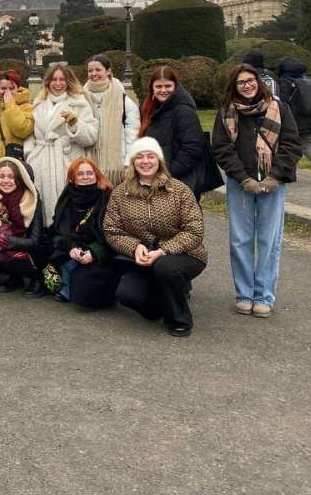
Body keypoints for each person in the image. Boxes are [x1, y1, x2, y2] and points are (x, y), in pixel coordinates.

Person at [212, 64, 302, 319]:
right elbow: (221, 148)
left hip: (273, 182)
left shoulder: (279, 109)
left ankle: (263, 296)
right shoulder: (227, 112)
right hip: (240, 183)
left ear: (258, 82)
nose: (247, 85)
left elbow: (291, 145)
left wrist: (275, 176)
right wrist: (242, 178)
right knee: (240, 240)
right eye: (241, 82)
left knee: (268, 240)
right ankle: (244, 294)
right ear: (234, 86)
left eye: (250, 80)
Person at [103, 137, 207, 337]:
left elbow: (195, 229)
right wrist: (134, 246)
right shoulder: (120, 193)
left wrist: (163, 251)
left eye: (151, 156)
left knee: (166, 267)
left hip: (184, 254)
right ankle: (162, 302)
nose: (145, 161)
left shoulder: (179, 190)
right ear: (133, 162)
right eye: (139, 157)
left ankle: (179, 319)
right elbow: (111, 229)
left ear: (159, 160)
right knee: (127, 296)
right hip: (143, 256)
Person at [23, 63, 99, 222]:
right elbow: (30, 135)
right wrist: (30, 154)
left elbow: (91, 137)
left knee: (67, 208)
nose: (58, 83)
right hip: (41, 163)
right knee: (41, 206)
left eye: (62, 79)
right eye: (54, 79)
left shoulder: (79, 103)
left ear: (68, 81)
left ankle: (66, 234)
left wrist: (75, 124)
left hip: (67, 160)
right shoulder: (38, 104)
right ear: (48, 82)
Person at [0, 156, 49, 297]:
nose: (5, 181)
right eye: (2, 176)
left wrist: (5, 240)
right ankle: (15, 277)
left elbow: (34, 241)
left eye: (11, 177)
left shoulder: (31, 200)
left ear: (19, 179)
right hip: (3, 244)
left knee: (5, 257)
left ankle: (38, 278)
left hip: (31, 249)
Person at [47, 157, 119, 308]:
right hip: (74, 246)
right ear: (72, 178)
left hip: (102, 248)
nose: (85, 177)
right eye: (80, 174)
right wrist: (71, 247)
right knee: (54, 255)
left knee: (84, 293)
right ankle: (68, 283)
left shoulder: (108, 196)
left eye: (89, 173)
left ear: (96, 174)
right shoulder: (67, 195)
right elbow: (57, 228)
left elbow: (116, 234)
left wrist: (94, 253)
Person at [138, 66, 214, 198]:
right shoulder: (149, 109)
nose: (163, 90)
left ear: (176, 86)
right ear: (152, 88)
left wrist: (168, 173)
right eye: (159, 86)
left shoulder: (184, 110)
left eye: (168, 86)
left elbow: (193, 147)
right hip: (155, 179)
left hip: (179, 182)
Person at [83, 54, 140, 182]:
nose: (94, 74)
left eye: (98, 70)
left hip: (117, 165)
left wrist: (129, 162)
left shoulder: (123, 99)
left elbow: (133, 133)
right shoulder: (81, 97)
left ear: (108, 71)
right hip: (88, 163)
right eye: (90, 70)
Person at [277, 58, 311, 181]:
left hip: (293, 122)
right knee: (308, 145)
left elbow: (283, 102)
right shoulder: (309, 82)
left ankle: (290, 171)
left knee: (289, 147)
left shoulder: (284, 82)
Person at [0, 69, 33, 174]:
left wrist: (10, 106)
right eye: (3, 88)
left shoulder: (26, 107)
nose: (7, 92)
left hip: (12, 168)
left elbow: (23, 130)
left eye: (11, 88)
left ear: (18, 88)